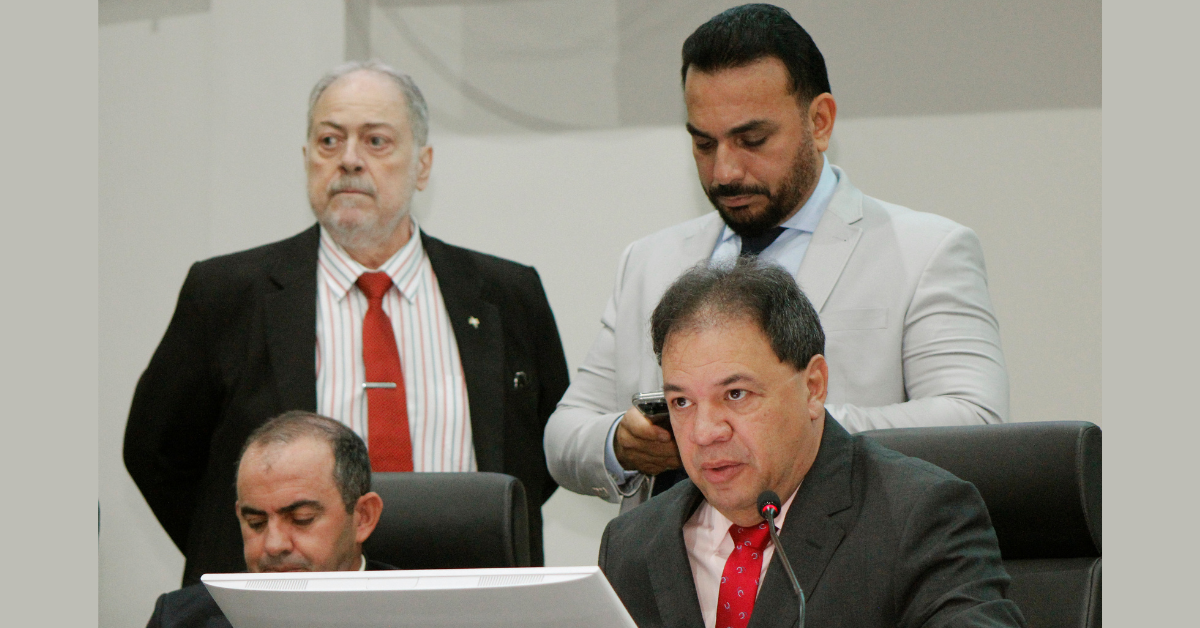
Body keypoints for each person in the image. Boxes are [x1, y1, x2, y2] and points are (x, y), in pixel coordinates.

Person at [125, 60, 570, 585]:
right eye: (329, 141)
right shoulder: (226, 294)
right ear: (307, 157)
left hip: (464, 597)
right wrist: (260, 548)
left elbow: (543, 449)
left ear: (423, 165)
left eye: (376, 141)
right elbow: (158, 453)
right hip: (286, 601)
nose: (350, 161)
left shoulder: (505, 294)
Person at [545, 3, 1009, 506]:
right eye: (704, 144)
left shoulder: (924, 252)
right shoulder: (648, 261)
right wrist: (622, 442)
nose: (724, 171)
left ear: (820, 121)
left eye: (752, 140)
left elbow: (974, 420)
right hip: (677, 572)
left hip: (850, 567)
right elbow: (564, 434)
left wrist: (796, 422)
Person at [598, 259, 1025, 628]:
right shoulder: (632, 544)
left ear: (814, 387)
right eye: (682, 402)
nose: (705, 431)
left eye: (736, 394)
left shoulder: (918, 517)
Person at [145, 411, 397, 628]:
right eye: (256, 522)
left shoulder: (426, 610)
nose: (274, 545)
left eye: (301, 519)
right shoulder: (180, 620)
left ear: (363, 517)